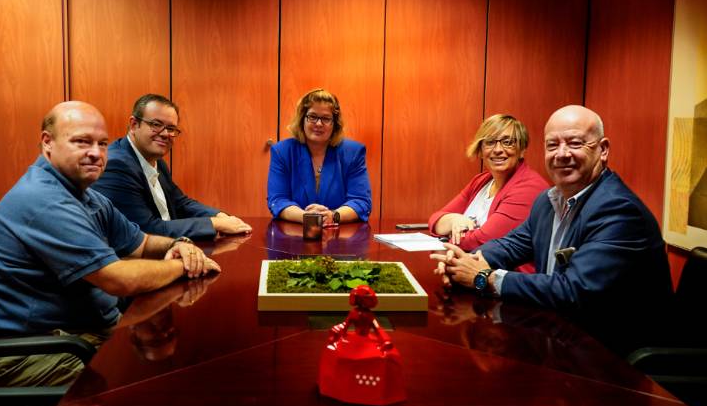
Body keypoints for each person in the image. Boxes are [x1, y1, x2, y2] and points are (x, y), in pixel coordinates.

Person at [0, 101, 220, 386]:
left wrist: (177, 244)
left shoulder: (84, 194)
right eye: (82, 142)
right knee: (137, 389)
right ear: (47, 142)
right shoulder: (45, 200)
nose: (96, 153)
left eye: (102, 144)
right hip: (27, 353)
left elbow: (141, 242)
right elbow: (117, 279)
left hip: (76, 334)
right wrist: (183, 266)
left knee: (178, 369)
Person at [431, 105, 673, 354]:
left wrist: (484, 277)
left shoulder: (618, 210)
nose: (562, 154)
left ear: (603, 150)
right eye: (552, 145)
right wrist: (462, 264)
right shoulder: (548, 201)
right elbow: (510, 245)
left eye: (575, 143)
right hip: (560, 339)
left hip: (611, 355)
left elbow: (573, 290)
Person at [92, 93, 251, 240]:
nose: (165, 134)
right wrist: (214, 224)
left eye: (171, 128)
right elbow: (145, 230)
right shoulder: (116, 165)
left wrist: (219, 216)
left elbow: (180, 203)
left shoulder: (156, 161)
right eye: (156, 124)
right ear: (134, 125)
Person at [428, 114, 548, 269]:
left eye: (507, 142)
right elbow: (435, 220)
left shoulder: (529, 187)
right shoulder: (482, 181)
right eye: (490, 142)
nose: (497, 150)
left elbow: (482, 241)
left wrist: (447, 237)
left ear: (522, 150)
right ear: (480, 149)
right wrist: (454, 220)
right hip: (472, 271)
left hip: (508, 280)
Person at [267, 88, 371, 225]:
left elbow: (361, 201)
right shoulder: (282, 152)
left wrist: (333, 216)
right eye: (312, 116)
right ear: (302, 119)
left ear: (335, 124)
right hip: (294, 232)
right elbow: (278, 200)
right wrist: (307, 217)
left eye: (326, 118)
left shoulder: (353, 152)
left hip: (339, 233)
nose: (318, 124)